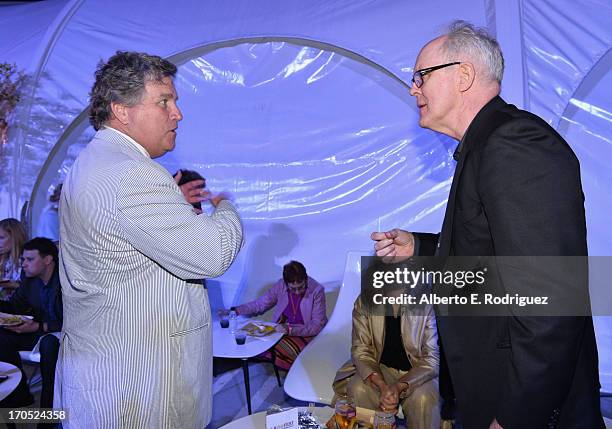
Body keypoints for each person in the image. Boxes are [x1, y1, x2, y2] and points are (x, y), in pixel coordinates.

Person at [371, 21, 603, 428]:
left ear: (463, 75)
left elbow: (550, 304)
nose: (413, 88)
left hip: (520, 404)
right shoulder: (485, 145)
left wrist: (513, 417)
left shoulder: (514, 145)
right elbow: (493, 256)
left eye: (420, 75)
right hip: (489, 393)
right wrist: (421, 248)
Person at [57, 51, 243, 428]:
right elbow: (213, 253)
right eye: (164, 101)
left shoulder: (92, 162)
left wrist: (171, 203)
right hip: (139, 391)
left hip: (104, 377)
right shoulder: (132, 174)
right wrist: (227, 208)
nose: (178, 113)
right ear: (122, 110)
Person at [332, 288, 439, 429]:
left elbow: (432, 358)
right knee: (358, 388)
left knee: (423, 399)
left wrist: (399, 386)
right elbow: (360, 350)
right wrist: (382, 386)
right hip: (379, 368)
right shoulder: (365, 300)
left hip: (418, 371)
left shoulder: (427, 302)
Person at [221, 260, 327, 370]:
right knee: (253, 340)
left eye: (300, 287)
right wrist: (236, 310)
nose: (297, 292)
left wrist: (290, 329)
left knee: (280, 348)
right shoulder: (280, 285)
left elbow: (316, 326)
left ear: (306, 280)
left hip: (306, 333)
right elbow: (260, 304)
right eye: (292, 289)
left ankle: (296, 375)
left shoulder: (317, 290)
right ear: (286, 284)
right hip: (281, 330)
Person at [0, 237, 62, 415]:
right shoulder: (30, 281)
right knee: (2, 338)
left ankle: (47, 417)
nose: (24, 264)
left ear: (48, 260)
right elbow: (14, 308)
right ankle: (18, 395)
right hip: (38, 330)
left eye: (29, 259)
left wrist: (38, 327)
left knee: (49, 345)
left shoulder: (65, 282)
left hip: (62, 335)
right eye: (23, 260)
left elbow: (72, 320)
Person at [0, 218, 27, 301]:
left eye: (1, 238)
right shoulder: (4, 260)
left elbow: (31, 289)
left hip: (22, 309)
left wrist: (10, 284)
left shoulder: (27, 260)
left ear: (14, 237)